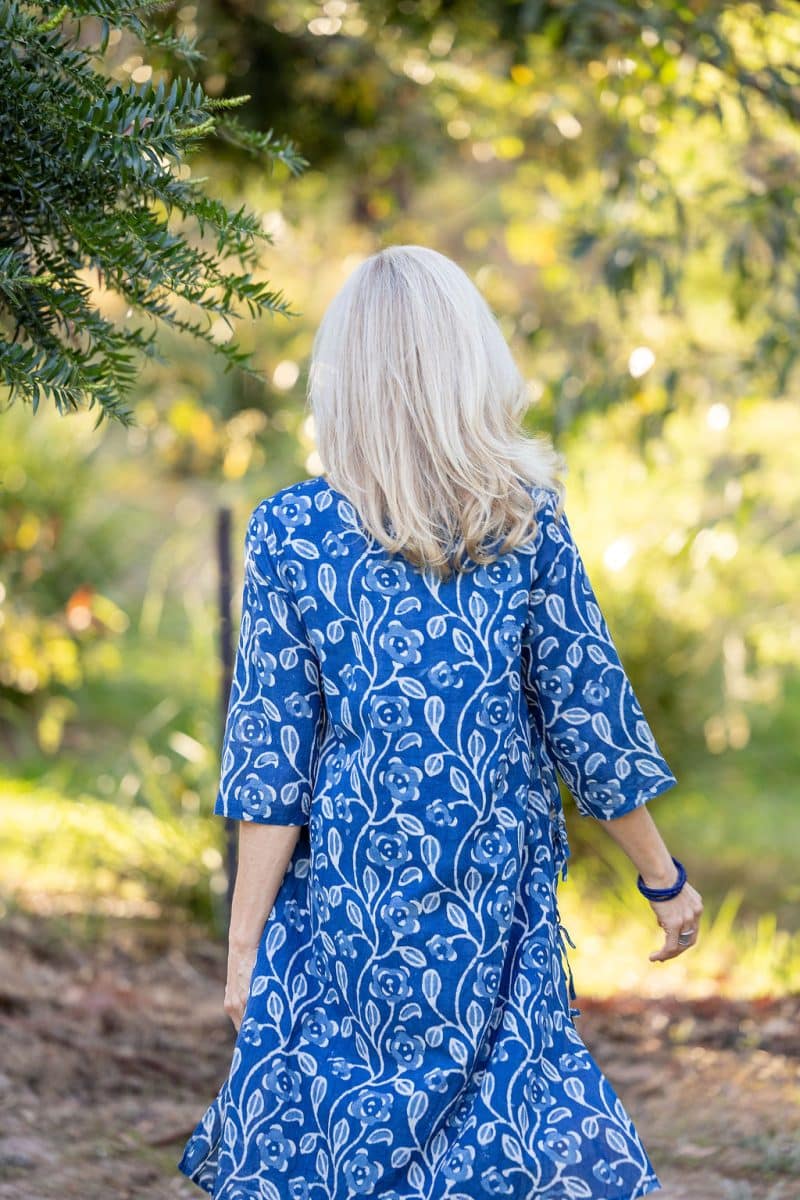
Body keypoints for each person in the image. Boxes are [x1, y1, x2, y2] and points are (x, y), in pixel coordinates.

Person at [177, 245, 703, 1199]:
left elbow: (273, 758)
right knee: (510, 1142)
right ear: (472, 364)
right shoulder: (526, 523)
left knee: (341, 1141)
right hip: (491, 902)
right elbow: (587, 717)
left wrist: (246, 943)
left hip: (347, 903)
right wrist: (662, 877)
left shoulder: (292, 532)